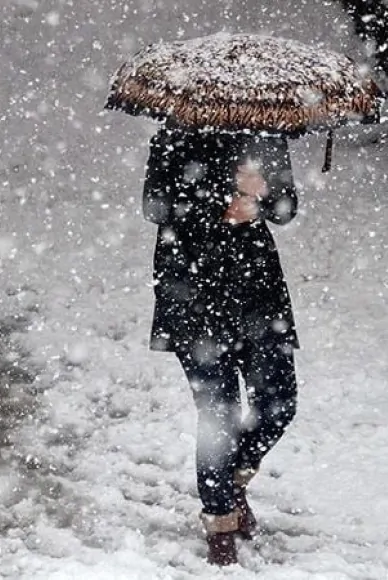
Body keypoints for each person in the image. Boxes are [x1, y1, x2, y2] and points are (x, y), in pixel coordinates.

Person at [142, 124, 300, 566]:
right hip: (193, 291)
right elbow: (155, 207)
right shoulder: (174, 136)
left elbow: (286, 210)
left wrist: (263, 194)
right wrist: (222, 200)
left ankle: (230, 481)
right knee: (219, 414)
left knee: (279, 402)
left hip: (258, 293)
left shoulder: (266, 135)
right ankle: (220, 525)